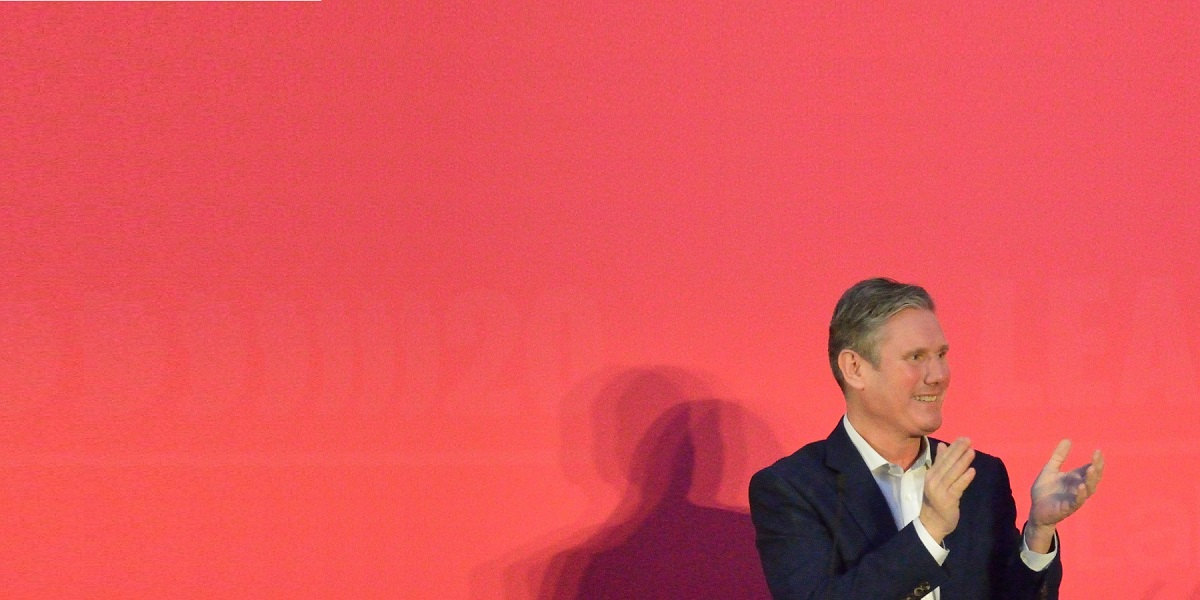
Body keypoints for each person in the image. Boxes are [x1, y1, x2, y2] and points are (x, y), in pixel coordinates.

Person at [749, 278, 1104, 599]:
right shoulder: (793, 488)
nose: (938, 375)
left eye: (941, 355)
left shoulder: (979, 476)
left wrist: (1039, 533)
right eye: (916, 357)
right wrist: (930, 528)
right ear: (855, 368)